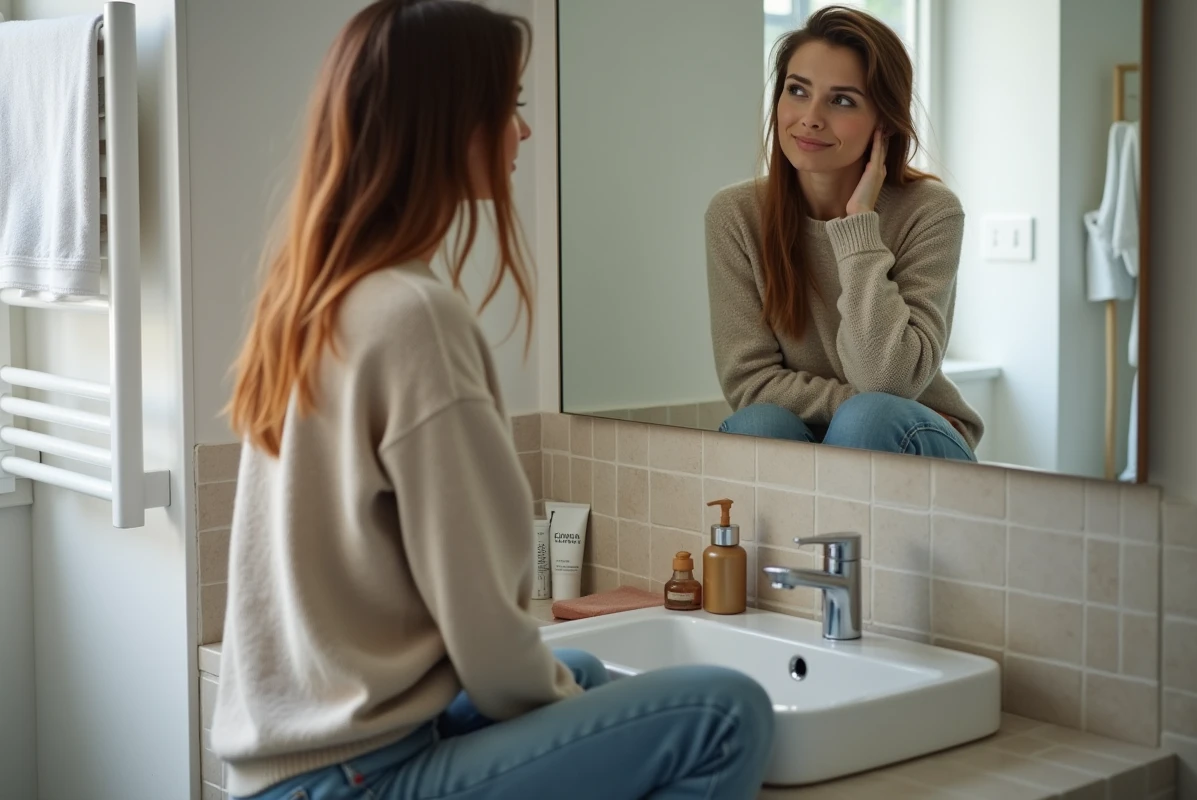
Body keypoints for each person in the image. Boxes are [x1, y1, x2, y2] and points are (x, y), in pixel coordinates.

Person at [211, 2, 774, 799]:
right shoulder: (413, 317)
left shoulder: (313, 297)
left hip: (286, 768)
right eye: (509, 106)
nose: (525, 131)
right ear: (448, 127)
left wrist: (566, 697)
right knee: (729, 710)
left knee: (573, 664)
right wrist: (569, 710)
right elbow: (484, 632)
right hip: (360, 776)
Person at [707, 5, 982, 462]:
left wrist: (858, 226)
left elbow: (888, 382)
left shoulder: (930, 212)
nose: (810, 117)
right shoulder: (735, 216)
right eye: (798, 91)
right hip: (817, 432)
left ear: (884, 124)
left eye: (842, 100)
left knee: (869, 419)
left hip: (911, 435)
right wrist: (846, 403)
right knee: (758, 424)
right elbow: (750, 384)